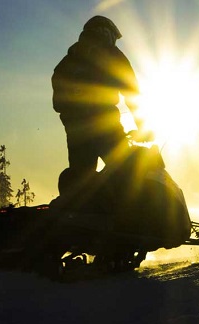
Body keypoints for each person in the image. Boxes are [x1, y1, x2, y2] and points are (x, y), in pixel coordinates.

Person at [52, 16, 146, 196]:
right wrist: (142, 126)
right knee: (129, 169)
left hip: (75, 130)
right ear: (107, 32)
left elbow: (58, 104)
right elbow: (131, 92)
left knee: (81, 178)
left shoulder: (67, 61)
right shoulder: (112, 54)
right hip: (104, 125)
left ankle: (78, 217)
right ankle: (131, 219)